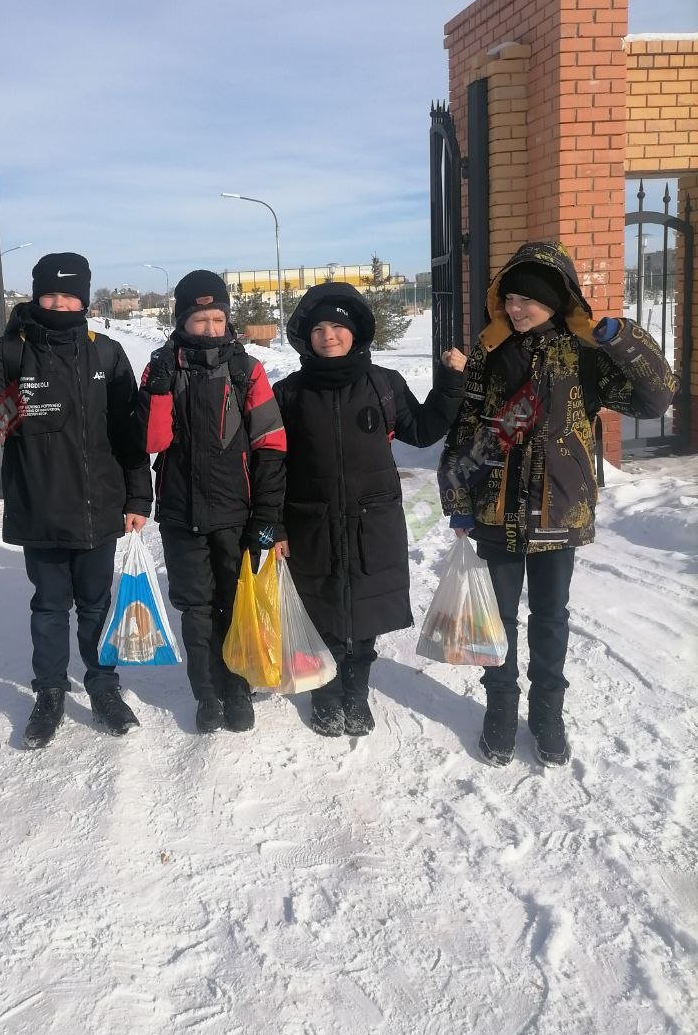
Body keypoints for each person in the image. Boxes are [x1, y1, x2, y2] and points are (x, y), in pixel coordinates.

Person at [438, 240, 678, 768]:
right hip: (496, 507)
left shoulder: (586, 354)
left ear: (556, 300)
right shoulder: (490, 350)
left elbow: (656, 397)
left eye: (529, 301)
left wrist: (621, 336)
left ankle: (548, 711)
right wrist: (458, 495)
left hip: (557, 509)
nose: (516, 310)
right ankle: (500, 706)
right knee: (498, 617)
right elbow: (469, 423)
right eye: (511, 299)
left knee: (550, 616)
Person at [0, 253, 152, 744]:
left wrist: (138, 498)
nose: (60, 303)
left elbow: (129, 434)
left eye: (70, 294)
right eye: (51, 294)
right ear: (37, 295)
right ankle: (50, 691)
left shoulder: (106, 353)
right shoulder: (12, 354)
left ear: (84, 297)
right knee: (49, 606)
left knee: (96, 606)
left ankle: (104, 685)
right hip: (40, 508)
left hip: (98, 508)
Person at [273, 283, 467, 736]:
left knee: (363, 613)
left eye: (338, 326)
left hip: (371, 521)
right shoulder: (289, 393)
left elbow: (422, 430)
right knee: (320, 609)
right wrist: (275, 522)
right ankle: (325, 692)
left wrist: (451, 383)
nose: (329, 335)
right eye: (319, 327)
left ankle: (356, 692)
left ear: (355, 331)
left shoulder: (384, 385)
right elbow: (272, 464)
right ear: (306, 335)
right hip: (311, 522)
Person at [138, 270, 286, 734]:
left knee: (235, 602)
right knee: (196, 609)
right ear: (183, 320)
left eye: (217, 318)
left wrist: (267, 518)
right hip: (181, 515)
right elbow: (151, 441)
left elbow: (272, 446)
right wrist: (158, 391)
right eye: (200, 319)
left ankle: (238, 688)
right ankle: (207, 694)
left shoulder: (247, 371)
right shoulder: (162, 368)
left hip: (235, 516)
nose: (209, 328)